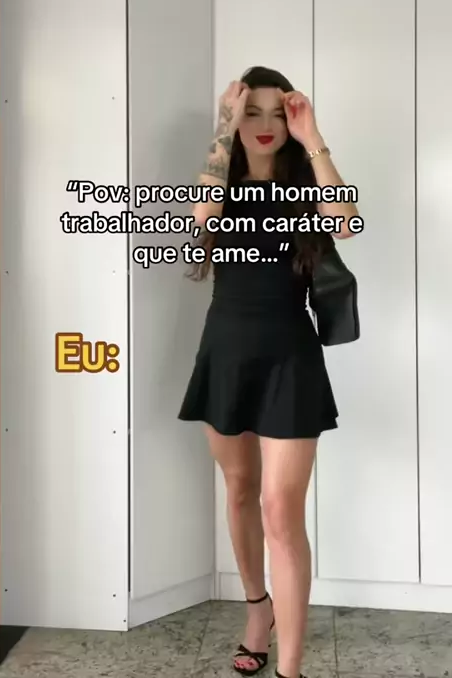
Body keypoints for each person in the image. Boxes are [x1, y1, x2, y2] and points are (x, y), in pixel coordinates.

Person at [178, 66, 359, 678]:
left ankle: (291, 668)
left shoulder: (305, 187)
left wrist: (313, 136)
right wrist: (223, 128)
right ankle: (259, 610)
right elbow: (201, 221)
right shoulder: (222, 180)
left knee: (281, 509)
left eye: (275, 114)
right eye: (250, 112)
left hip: (290, 354)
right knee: (239, 490)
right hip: (226, 350)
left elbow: (345, 219)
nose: (263, 125)